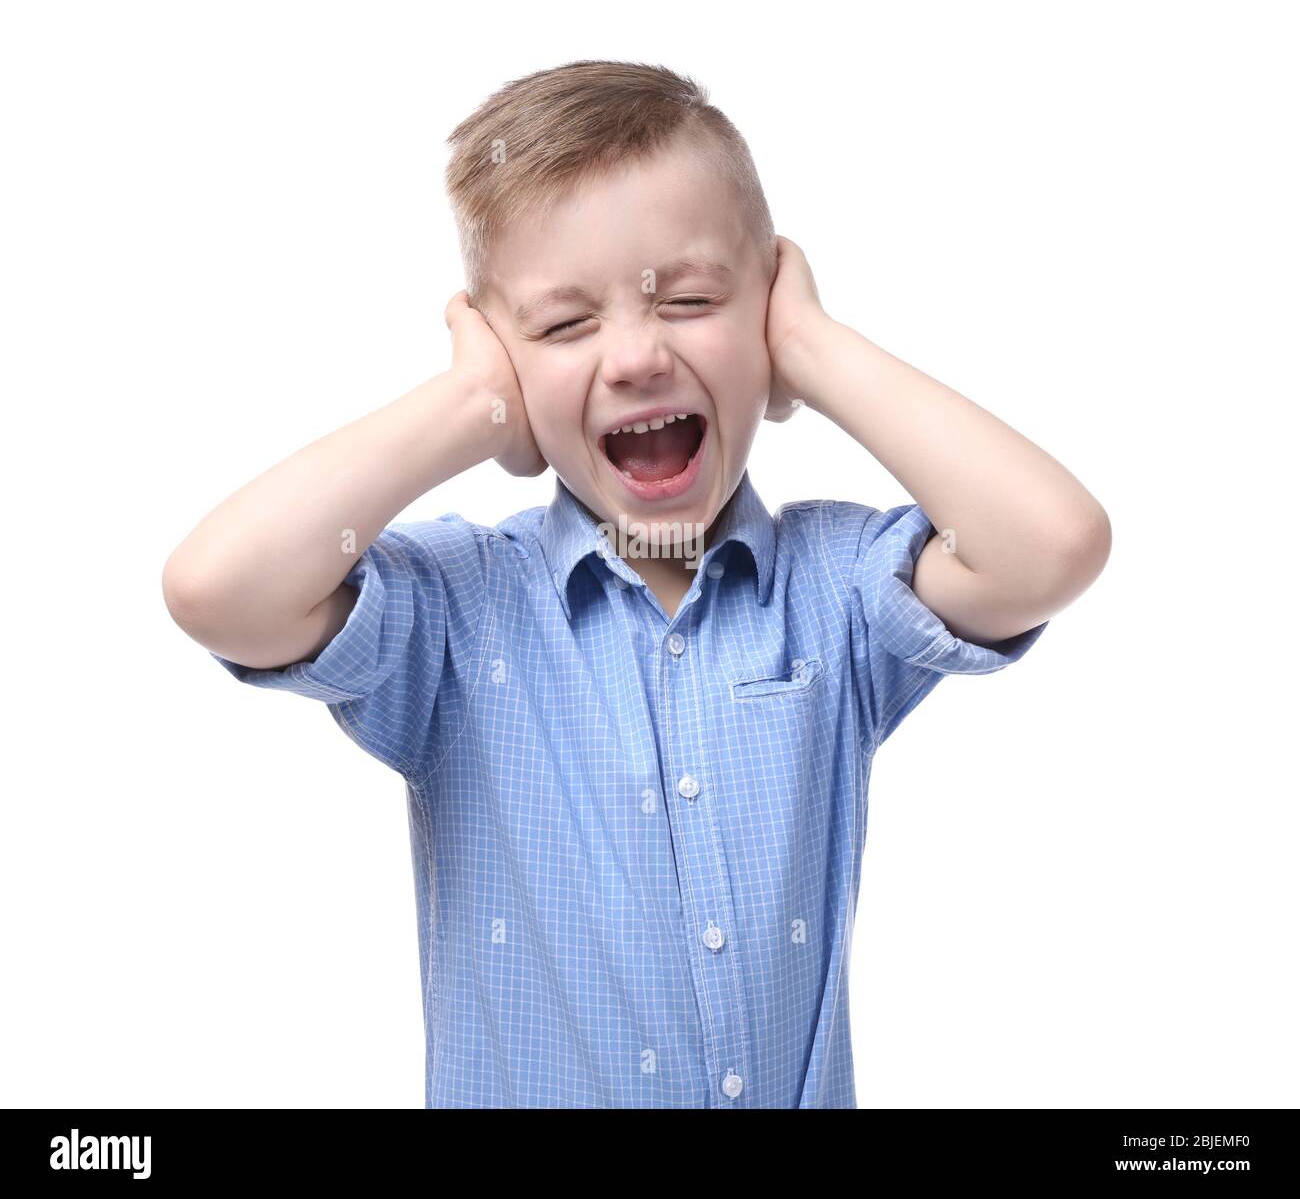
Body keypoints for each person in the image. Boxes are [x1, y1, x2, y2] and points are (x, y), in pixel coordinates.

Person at [162, 60, 1110, 1108]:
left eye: (695, 299)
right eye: (563, 326)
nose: (634, 356)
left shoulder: (833, 589)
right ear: (502, 359)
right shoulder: (461, 612)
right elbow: (219, 588)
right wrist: (470, 404)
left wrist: (812, 346)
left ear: (765, 312)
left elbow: (1050, 545)